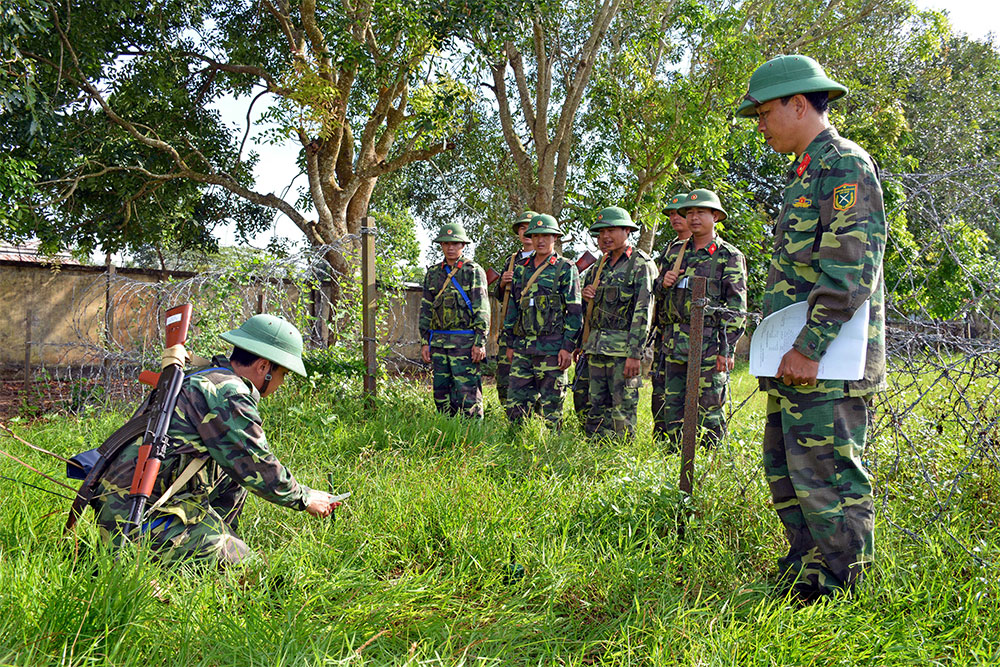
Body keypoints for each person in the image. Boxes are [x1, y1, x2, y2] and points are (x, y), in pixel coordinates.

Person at [737, 54, 886, 599]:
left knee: (828, 475)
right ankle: (807, 567)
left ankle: (838, 588)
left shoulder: (843, 164)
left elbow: (851, 267)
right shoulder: (805, 169)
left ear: (798, 104)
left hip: (827, 358)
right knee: (787, 470)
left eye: (764, 113)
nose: (760, 125)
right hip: (800, 357)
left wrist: (809, 346)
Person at [92, 314, 343, 565]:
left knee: (230, 474)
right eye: (283, 374)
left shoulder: (204, 376)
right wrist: (304, 498)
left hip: (128, 499)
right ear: (264, 367)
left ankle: (212, 541)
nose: (282, 383)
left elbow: (240, 465)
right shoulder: (227, 392)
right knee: (255, 572)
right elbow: (256, 465)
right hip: (137, 517)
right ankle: (189, 557)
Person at [655, 189, 747, 448]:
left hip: (709, 345)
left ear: (715, 216)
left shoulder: (728, 255)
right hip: (674, 345)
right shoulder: (675, 253)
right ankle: (670, 460)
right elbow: (658, 294)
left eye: (701, 212)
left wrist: (727, 348)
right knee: (671, 407)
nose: (694, 218)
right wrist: (663, 282)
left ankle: (710, 464)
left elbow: (736, 306)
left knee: (709, 409)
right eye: (690, 213)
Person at [577, 206, 656, 439]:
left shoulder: (641, 265)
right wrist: (586, 297)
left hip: (623, 352)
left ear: (626, 231)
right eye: (600, 233)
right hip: (596, 349)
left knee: (623, 407)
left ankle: (619, 455)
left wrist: (635, 354)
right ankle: (594, 451)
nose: (605, 237)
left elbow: (644, 313)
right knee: (595, 405)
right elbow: (589, 313)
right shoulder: (598, 267)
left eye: (611, 230)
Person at [502, 214, 582, 428]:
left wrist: (567, 347)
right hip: (523, 348)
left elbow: (574, 311)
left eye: (546, 235)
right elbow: (513, 308)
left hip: (552, 349)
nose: (540, 240)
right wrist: (509, 343)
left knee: (552, 407)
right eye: (535, 235)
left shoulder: (565, 268)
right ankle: (516, 447)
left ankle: (552, 450)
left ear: (555, 237)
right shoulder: (520, 268)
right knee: (516, 405)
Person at [419, 222, 491, 418]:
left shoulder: (473, 271)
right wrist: (425, 341)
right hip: (440, 342)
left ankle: (472, 435)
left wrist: (480, 342)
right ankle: (447, 431)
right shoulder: (434, 273)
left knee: (468, 392)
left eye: (455, 243)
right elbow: (426, 308)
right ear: (441, 246)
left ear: (463, 245)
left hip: (465, 343)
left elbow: (482, 308)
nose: (450, 247)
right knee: (441, 393)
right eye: (445, 243)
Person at [650, 192, 693, 440]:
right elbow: (655, 290)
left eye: (680, 213)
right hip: (667, 336)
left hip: (698, 337)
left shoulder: (712, 250)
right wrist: (663, 283)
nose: (675, 217)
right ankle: (665, 443)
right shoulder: (669, 251)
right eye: (671, 214)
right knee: (663, 392)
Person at [494, 210, 537, 408]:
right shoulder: (511, 260)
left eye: (531, 228)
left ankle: (534, 421)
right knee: (504, 378)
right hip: (511, 329)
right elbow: (499, 296)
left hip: (537, 331)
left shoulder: (547, 259)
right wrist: (502, 283)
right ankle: (510, 417)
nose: (526, 232)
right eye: (522, 228)